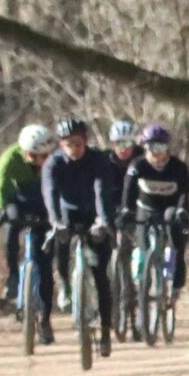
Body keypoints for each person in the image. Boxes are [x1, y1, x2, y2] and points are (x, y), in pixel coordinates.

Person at [42, 117, 117, 355]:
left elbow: (101, 191)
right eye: (67, 144)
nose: (73, 149)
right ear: (61, 145)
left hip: (94, 214)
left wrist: (103, 221)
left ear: (85, 141)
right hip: (67, 213)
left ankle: (105, 331)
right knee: (61, 246)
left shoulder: (98, 161)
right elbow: (50, 193)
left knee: (100, 273)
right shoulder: (53, 163)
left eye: (77, 143)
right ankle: (64, 283)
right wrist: (55, 222)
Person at [0, 122, 56, 336]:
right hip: (18, 201)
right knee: (12, 227)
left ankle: (45, 318)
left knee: (45, 264)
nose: (38, 161)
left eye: (42, 156)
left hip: (44, 204)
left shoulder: (53, 161)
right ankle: (12, 275)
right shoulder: (10, 158)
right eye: (33, 156)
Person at [119, 122, 189, 293]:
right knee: (141, 245)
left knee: (176, 240)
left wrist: (182, 210)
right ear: (145, 147)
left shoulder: (178, 167)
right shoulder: (138, 166)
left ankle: (175, 283)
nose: (156, 151)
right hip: (146, 208)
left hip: (171, 208)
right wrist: (126, 210)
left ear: (167, 148)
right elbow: (129, 191)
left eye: (160, 146)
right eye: (151, 146)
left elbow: (184, 192)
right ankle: (140, 282)